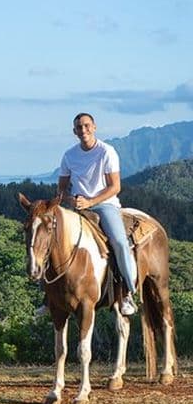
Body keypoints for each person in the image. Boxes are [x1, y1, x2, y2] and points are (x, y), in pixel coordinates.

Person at [45, 112, 138, 316]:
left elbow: (115, 187)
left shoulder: (106, 152)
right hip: (78, 206)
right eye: (79, 127)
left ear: (94, 127)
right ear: (74, 131)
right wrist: (71, 200)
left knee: (119, 242)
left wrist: (91, 201)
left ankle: (127, 292)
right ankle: (48, 296)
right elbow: (61, 189)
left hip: (105, 205)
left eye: (87, 126)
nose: (83, 130)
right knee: (49, 239)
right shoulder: (69, 156)